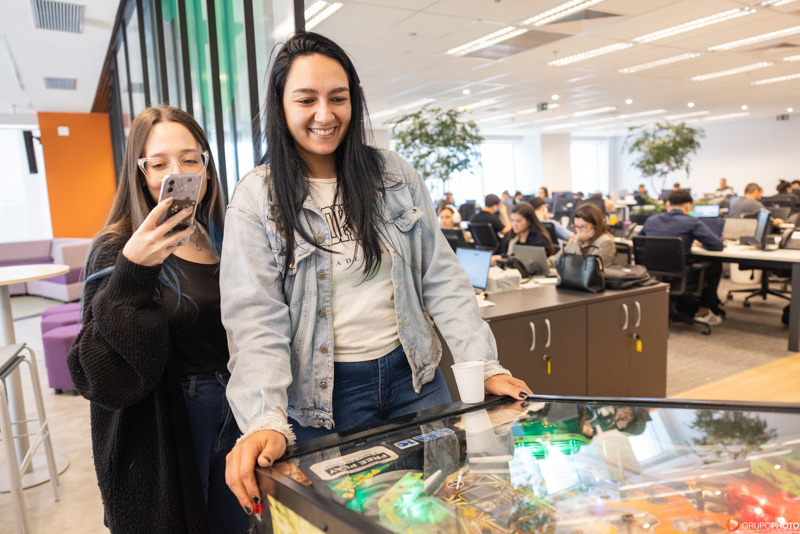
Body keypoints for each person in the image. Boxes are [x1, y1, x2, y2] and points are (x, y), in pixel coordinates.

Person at [219, 32, 532, 515]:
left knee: (444, 510)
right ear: (280, 105)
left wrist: (484, 364)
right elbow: (256, 320)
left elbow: (441, 278)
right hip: (325, 401)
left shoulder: (392, 175)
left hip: (415, 379)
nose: (325, 115)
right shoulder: (257, 198)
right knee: (358, 518)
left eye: (337, 98)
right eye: (306, 99)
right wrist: (264, 417)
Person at [66, 106, 247, 533]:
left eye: (189, 159)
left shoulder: (220, 232)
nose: (177, 173)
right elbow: (96, 375)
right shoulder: (117, 248)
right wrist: (134, 268)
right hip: (172, 417)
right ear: (140, 171)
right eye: (159, 164)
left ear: (206, 165)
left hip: (238, 406)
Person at [639, 189, 724, 325]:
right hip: (680, 274)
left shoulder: (651, 220)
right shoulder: (692, 222)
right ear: (688, 206)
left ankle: (683, 305)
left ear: (668, 204)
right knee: (715, 265)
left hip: (651, 273)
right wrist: (701, 244)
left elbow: (639, 242)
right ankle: (703, 311)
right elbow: (717, 245)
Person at [559, 203, 616, 267]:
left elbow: (581, 267)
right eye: (576, 226)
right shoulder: (580, 239)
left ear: (595, 226)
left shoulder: (605, 242)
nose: (579, 231)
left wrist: (576, 240)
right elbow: (556, 259)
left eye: (583, 226)